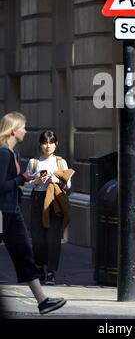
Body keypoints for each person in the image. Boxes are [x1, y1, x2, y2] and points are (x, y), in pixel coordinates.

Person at [0, 112, 66, 315]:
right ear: (13, 130)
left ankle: (42, 300)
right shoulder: (4, 153)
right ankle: (42, 300)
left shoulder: (11, 152)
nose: (26, 131)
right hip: (5, 213)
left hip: (11, 211)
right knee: (24, 254)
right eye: (23, 127)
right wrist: (22, 178)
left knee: (24, 255)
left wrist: (22, 178)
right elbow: (1, 185)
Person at [25, 130, 72, 286]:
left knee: (53, 238)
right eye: (45, 143)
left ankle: (51, 272)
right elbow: (26, 184)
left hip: (54, 201)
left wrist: (56, 180)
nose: (48, 146)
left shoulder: (61, 162)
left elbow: (69, 184)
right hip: (38, 199)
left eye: (51, 143)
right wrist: (37, 181)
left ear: (56, 144)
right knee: (37, 238)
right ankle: (40, 267)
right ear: (40, 144)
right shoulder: (34, 162)